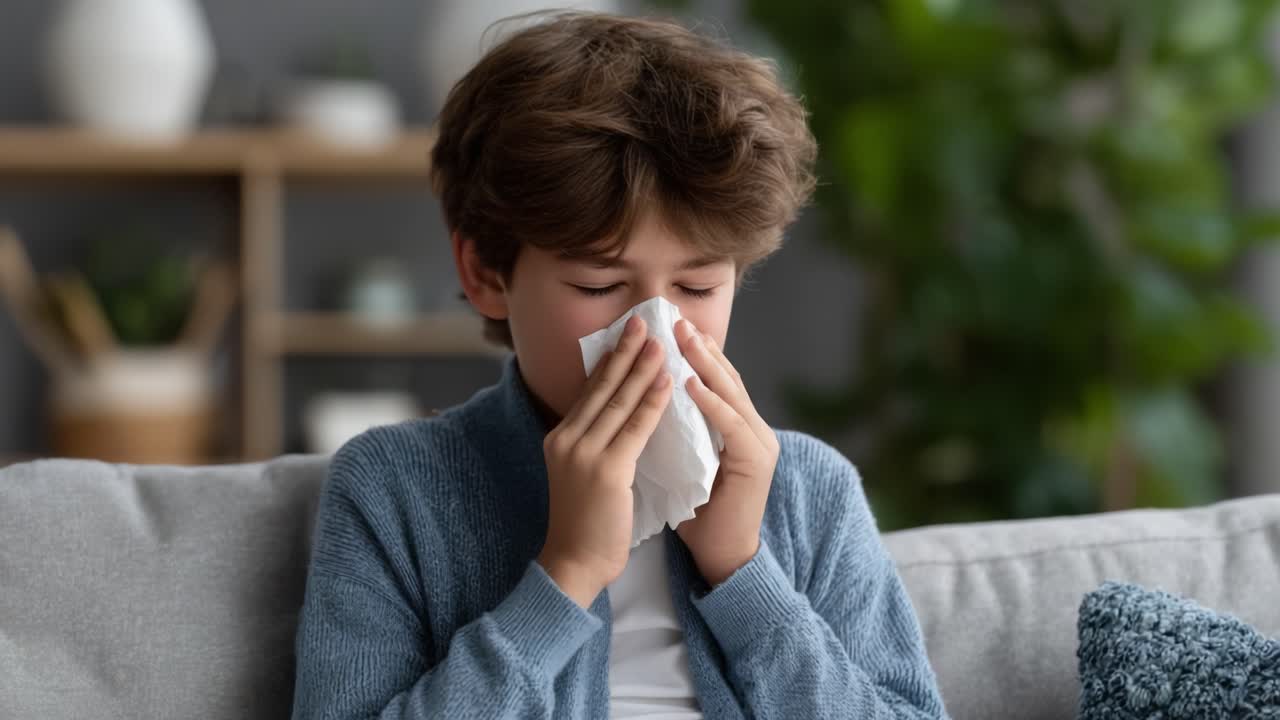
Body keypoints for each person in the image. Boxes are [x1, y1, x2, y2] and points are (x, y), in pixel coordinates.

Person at [292, 10, 948, 719]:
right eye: (599, 287)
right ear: (485, 271)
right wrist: (564, 576)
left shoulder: (810, 493)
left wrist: (744, 571)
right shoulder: (394, 489)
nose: (653, 331)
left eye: (697, 287)